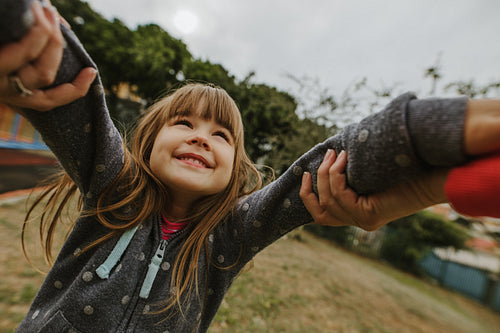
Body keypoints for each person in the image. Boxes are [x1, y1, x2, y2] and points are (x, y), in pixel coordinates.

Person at [1, 1, 500, 332]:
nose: (202, 136)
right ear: (147, 141)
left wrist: (425, 130)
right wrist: (23, 31)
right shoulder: (114, 188)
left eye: (221, 135)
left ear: (234, 173)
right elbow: (77, 102)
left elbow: (318, 167)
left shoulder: (230, 235)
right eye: (184, 123)